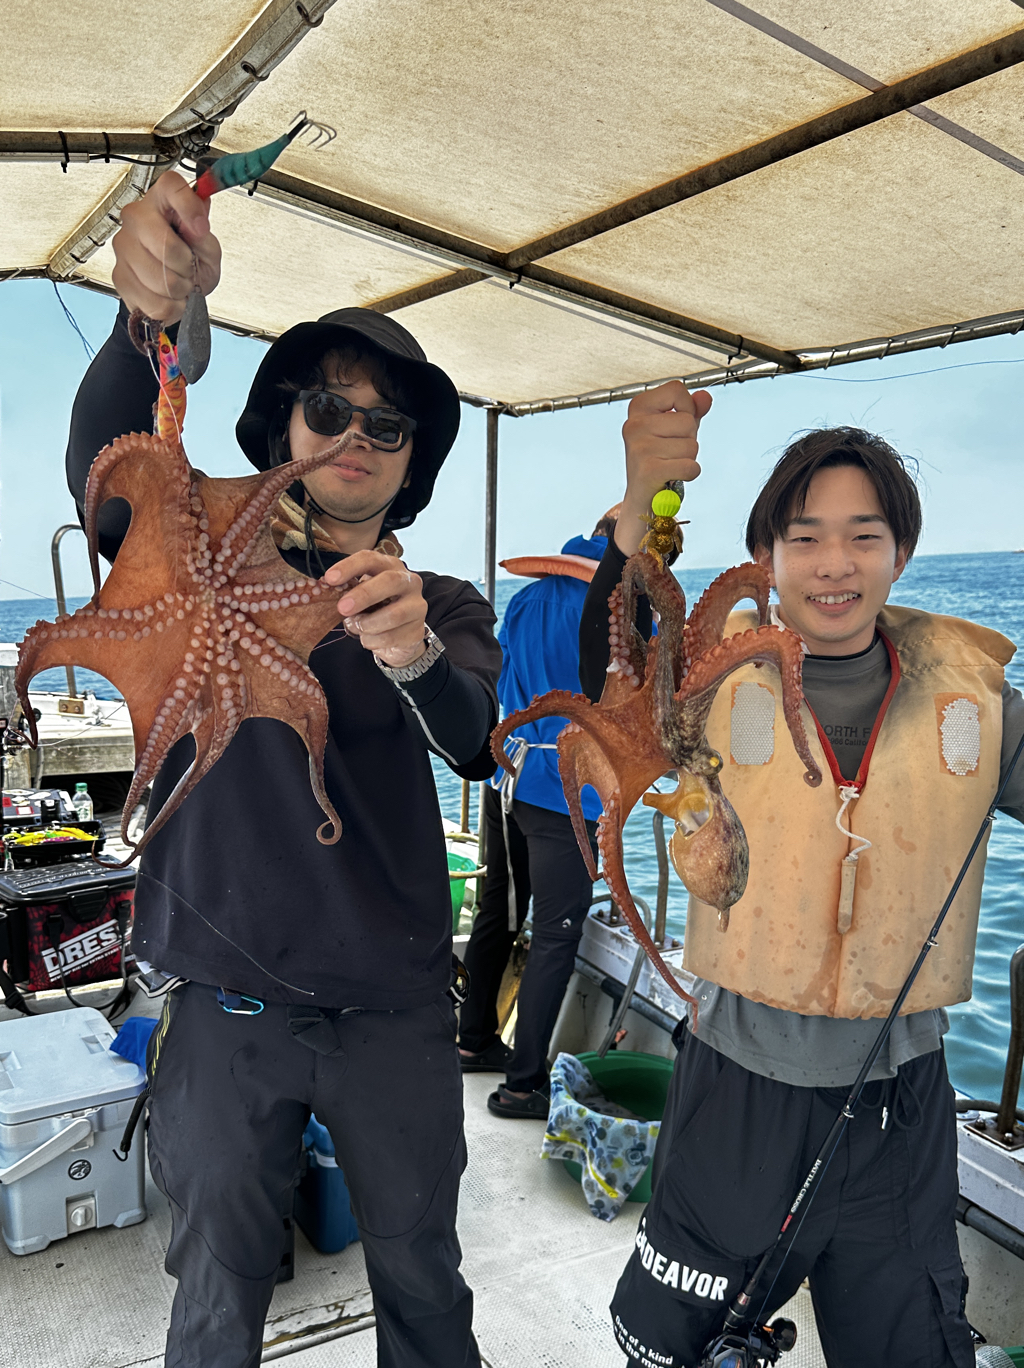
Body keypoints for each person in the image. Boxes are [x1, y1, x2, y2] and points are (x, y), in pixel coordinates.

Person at [65, 171, 502, 1368]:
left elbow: (472, 737)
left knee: (423, 1274)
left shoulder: (443, 606)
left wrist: (410, 654)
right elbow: (106, 469)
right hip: (224, 1009)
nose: (354, 436)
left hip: (395, 1014)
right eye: (326, 408)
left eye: (387, 426)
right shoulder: (195, 556)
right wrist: (146, 320)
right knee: (215, 1291)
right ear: (280, 429)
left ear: (409, 468)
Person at [578, 383, 1024, 1368]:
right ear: (766, 557)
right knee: (674, 1344)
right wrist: (640, 508)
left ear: (900, 553)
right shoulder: (708, 690)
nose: (834, 562)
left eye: (863, 536)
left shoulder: (980, 704)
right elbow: (612, 676)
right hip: (734, 1085)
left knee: (910, 1346)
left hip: (902, 1099)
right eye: (805, 536)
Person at [457, 514, 618, 1117]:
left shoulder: (526, 600)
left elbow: (504, 682)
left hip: (509, 776)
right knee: (557, 931)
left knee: (498, 908)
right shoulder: (622, 610)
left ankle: (472, 1040)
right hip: (565, 792)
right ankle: (523, 1086)